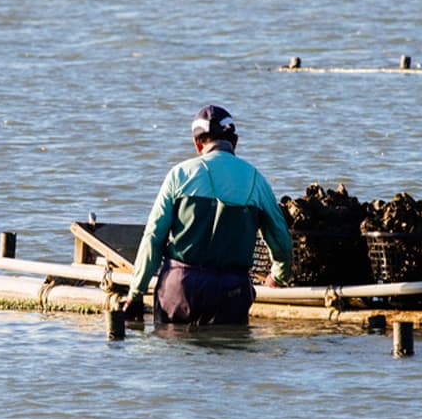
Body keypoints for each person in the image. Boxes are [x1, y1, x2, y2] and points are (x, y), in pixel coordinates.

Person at [121, 105, 293, 325]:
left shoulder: (179, 175)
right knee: (228, 344)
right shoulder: (256, 180)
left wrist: (136, 293)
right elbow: (282, 243)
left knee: (174, 344)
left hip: (180, 288)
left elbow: (153, 238)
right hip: (232, 292)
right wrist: (277, 277)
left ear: (197, 143)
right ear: (235, 141)